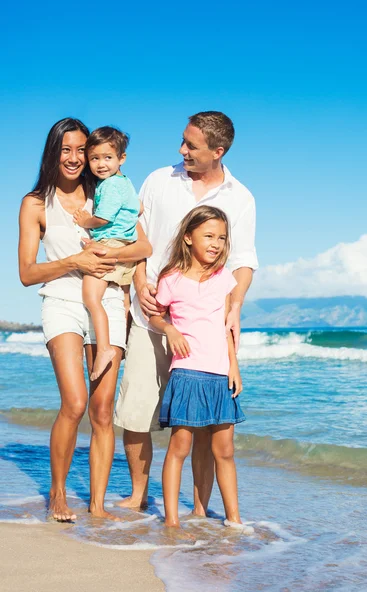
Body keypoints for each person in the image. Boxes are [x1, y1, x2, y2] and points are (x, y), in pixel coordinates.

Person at [114, 111, 258, 515]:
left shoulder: (240, 197)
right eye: (183, 141)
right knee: (138, 408)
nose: (182, 150)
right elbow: (135, 236)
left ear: (218, 151)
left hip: (205, 327)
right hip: (151, 314)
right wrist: (139, 283)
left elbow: (244, 259)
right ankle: (140, 495)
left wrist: (235, 304)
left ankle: (199, 509)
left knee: (201, 425)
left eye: (191, 145)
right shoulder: (160, 180)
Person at [18, 117, 152, 522]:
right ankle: (57, 493)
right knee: (75, 403)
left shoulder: (109, 191)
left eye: (82, 150)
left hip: (109, 300)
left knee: (103, 409)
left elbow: (142, 245)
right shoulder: (36, 203)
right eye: (67, 150)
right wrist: (74, 261)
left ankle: (96, 505)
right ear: (53, 152)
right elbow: (26, 273)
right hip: (61, 299)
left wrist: (109, 256)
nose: (75, 158)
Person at [149, 206, 245, 528]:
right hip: (187, 372)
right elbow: (155, 314)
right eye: (209, 236)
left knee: (225, 450)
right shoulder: (171, 278)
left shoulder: (224, 278)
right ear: (189, 237)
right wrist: (170, 330)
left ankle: (234, 520)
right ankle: (172, 522)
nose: (216, 243)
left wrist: (234, 366)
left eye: (221, 237)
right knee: (180, 446)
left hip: (219, 375)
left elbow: (227, 325)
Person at [73, 126, 142, 381]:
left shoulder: (111, 185)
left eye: (107, 157)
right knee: (123, 298)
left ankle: (104, 349)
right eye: (94, 158)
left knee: (91, 296)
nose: (101, 164)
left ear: (121, 158)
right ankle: (122, 344)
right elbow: (139, 207)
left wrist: (85, 221)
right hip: (123, 242)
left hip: (112, 243)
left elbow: (102, 218)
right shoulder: (124, 182)